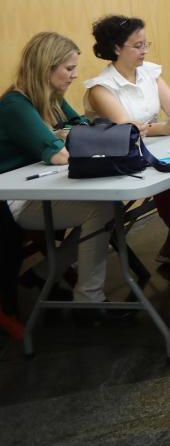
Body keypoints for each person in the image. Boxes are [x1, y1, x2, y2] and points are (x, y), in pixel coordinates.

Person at [0, 33, 118, 314]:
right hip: (12, 199)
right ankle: (88, 302)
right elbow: (60, 155)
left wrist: (63, 133)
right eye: (69, 69)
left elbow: (84, 130)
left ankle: (42, 274)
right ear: (47, 67)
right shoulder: (16, 104)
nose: (75, 75)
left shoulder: (51, 98)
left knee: (112, 207)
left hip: (38, 186)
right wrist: (64, 135)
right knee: (100, 211)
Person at [82, 14, 170, 264]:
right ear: (116, 48)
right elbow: (128, 131)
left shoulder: (148, 72)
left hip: (159, 146)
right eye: (137, 46)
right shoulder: (101, 88)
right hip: (123, 159)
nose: (144, 51)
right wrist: (166, 129)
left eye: (146, 44)